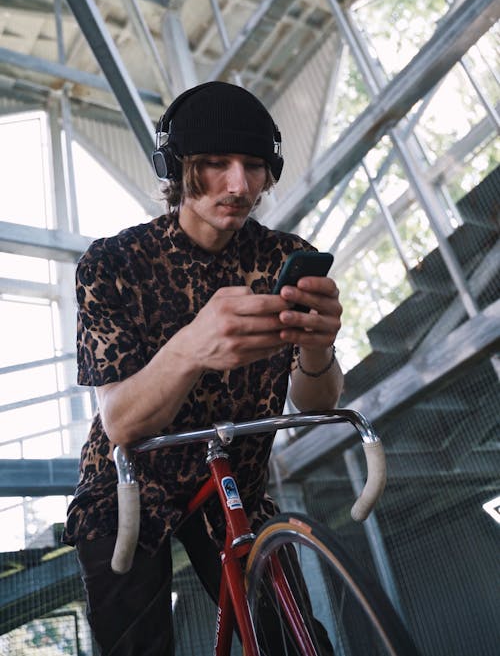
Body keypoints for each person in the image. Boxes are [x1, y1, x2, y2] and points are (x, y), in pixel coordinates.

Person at [63, 81, 343, 655]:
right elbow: (119, 421)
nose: (239, 185)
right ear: (176, 168)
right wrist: (191, 348)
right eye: (216, 163)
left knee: (294, 642)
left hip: (234, 482)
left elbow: (315, 404)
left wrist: (318, 348)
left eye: (254, 166)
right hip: (129, 486)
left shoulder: (280, 258)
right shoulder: (112, 264)